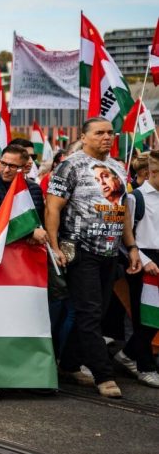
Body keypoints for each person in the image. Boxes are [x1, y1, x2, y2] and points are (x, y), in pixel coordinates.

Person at [45, 117, 140, 399]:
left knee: (93, 313)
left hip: (110, 252)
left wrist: (132, 247)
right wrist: (54, 246)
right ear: (83, 137)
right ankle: (104, 375)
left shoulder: (118, 167)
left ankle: (69, 365)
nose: (107, 137)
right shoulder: (70, 166)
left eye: (110, 132)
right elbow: (53, 208)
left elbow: (122, 210)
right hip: (80, 249)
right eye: (99, 133)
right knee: (89, 313)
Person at [123, 150, 159, 388]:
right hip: (143, 260)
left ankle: (127, 354)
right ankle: (145, 367)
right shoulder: (136, 197)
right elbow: (126, 235)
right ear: (152, 172)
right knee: (145, 318)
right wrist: (144, 260)